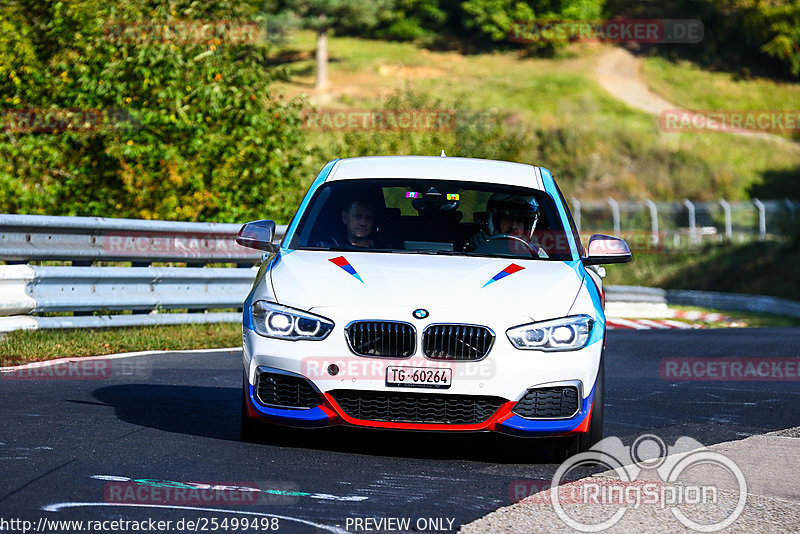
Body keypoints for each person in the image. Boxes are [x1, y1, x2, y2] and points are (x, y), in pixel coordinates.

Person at [467, 193, 548, 257]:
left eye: (520, 221)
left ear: (528, 225)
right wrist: (475, 246)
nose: (513, 226)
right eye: (507, 218)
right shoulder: (479, 243)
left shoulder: (537, 252)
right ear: (495, 220)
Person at [314, 196, 382, 249]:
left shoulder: (386, 249)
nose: (363, 223)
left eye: (368, 217)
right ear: (345, 217)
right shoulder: (327, 247)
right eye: (357, 216)